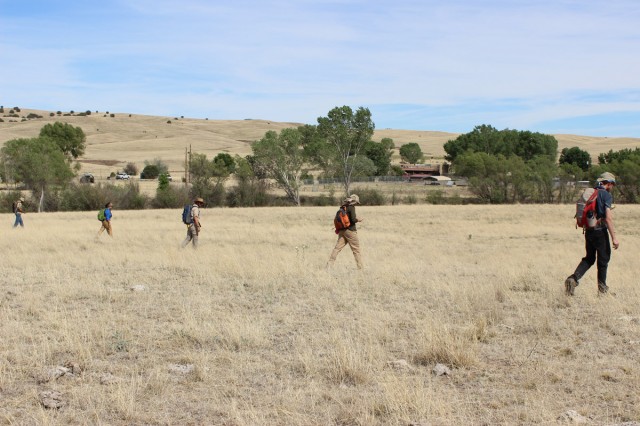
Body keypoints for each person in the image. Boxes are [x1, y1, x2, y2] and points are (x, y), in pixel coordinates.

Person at [565, 172, 619, 296]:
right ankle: (602, 289)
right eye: (613, 185)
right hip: (600, 231)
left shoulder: (592, 192)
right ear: (609, 183)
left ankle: (573, 279)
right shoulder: (605, 195)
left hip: (588, 230)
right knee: (603, 259)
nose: (613, 187)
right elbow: (608, 218)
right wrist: (614, 238)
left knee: (589, 258)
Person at [327, 194, 364, 270]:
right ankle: (361, 269)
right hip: (350, 231)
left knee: (337, 248)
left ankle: (329, 266)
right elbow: (353, 220)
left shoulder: (344, 207)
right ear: (354, 201)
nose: (356, 204)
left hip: (342, 230)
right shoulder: (351, 207)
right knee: (356, 250)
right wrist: (358, 220)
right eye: (356, 203)